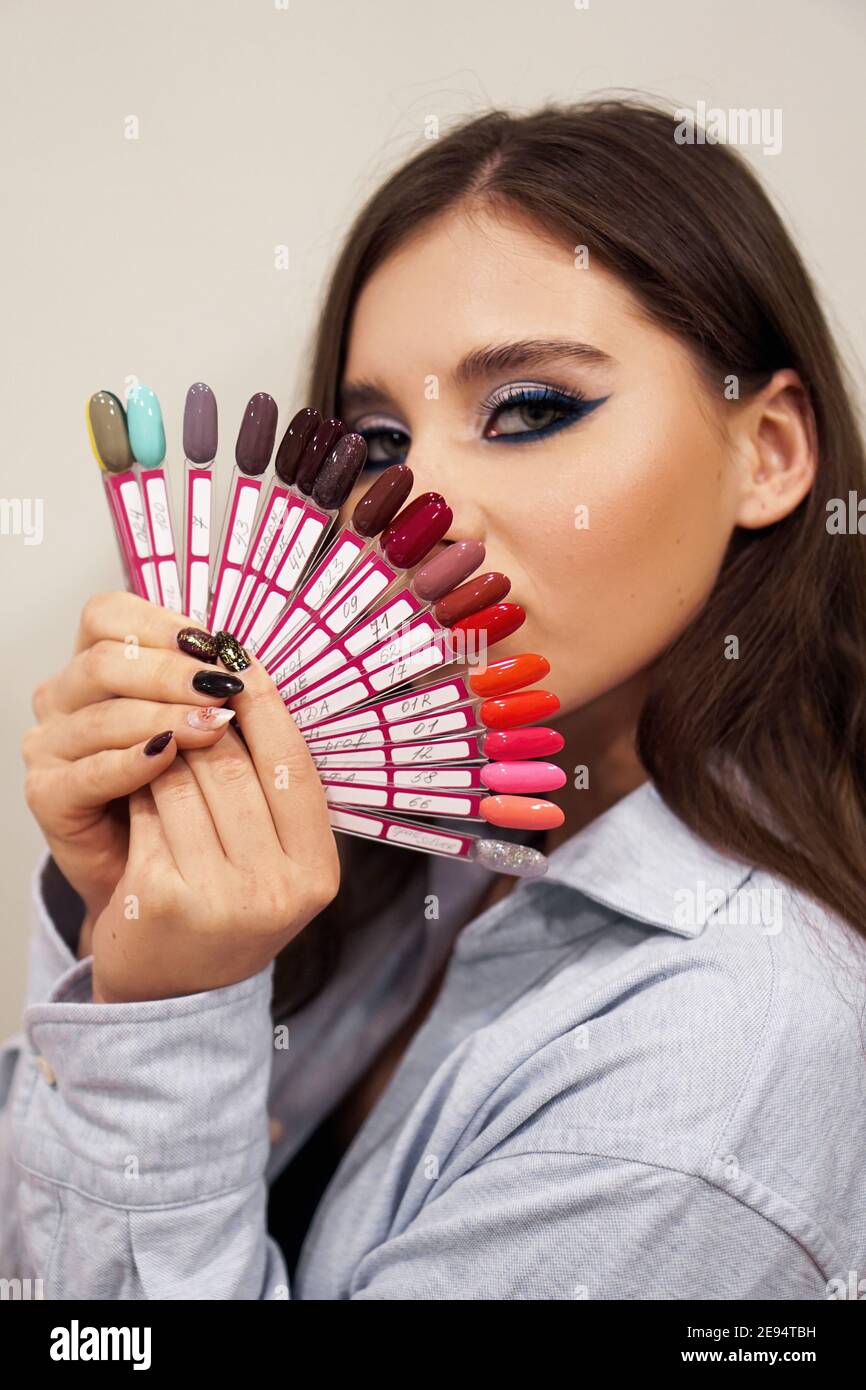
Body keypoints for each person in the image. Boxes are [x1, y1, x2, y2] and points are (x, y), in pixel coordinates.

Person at [3, 98, 865, 1299]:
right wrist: (128, 924)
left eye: (530, 410)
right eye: (373, 438)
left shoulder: (722, 1068)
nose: (415, 507)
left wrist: (172, 1014)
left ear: (766, 451)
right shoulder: (419, 849)